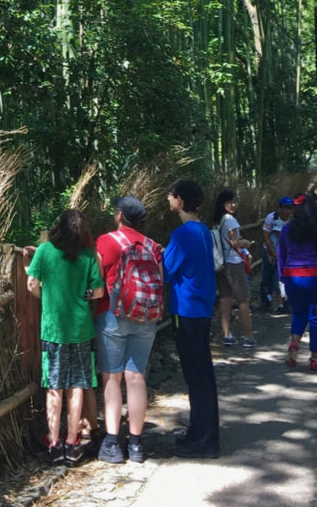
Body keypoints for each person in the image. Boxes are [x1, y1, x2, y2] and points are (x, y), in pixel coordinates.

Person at [24, 209, 104, 465]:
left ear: (59, 227)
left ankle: (54, 442)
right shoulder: (88, 255)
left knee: (54, 387)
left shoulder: (45, 251)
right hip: (81, 329)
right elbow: (99, 292)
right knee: (77, 386)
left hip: (53, 330)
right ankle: (72, 443)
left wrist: (44, 298)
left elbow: (31, 285)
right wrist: (84, 294)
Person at [94, 195, 162, 464]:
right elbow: (158, 280)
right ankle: (135, 444)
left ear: (119, 215)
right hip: (146, 316)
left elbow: (97, 279)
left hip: (113, 314)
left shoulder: (107, 241)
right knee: (136, 378)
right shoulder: (153, 246)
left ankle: (112, 442)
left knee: (112, 378)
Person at [163, 178, 220, 459]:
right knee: (202, 373)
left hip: (186, 310)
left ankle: (205, 439)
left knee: (196, 375)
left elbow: (168, 268)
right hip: (202, 308)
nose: (168, 200)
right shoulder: (203, 231)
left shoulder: (182, 234)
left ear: (181, 200)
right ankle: (200, 431)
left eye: (171, 196)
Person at [277, 192, 317, 370]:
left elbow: (281, 255)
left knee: (299, 313)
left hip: (292, 276)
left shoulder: (287, 228)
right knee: (315, 317)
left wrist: (282, 277)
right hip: (313, 275)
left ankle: (294, 346)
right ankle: (314, 358)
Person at [212, 188, 255, 348]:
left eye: (235, 201)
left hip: (222, 263)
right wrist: (246, 243)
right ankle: (248, 337)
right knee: (243, 299)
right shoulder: (230, 220)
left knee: (224, 298)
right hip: (234, 263)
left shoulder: (219, 220)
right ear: (223, 204)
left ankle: (227, 335)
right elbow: (235, 243)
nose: (233, 204)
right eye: (230, 202)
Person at [260, 196, 294, 312]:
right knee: (266, 277)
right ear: (280, 208)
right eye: (286, 208)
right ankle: (266, 302)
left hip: (286, 252)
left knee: (281, 278)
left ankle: (284, 303)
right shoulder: (271, 218)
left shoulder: (293, 219)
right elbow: (266, 236)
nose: (288, 211)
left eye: (290, 208)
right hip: (270, 250)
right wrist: (273, 254)